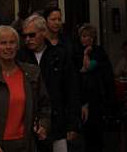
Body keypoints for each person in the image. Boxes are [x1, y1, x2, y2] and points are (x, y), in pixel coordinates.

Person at [0, 25, 50, 152]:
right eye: (3, 43)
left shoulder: (32, 73)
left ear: (17, 46)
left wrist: (44, 125)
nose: (8, 47)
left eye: (12, 42)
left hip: (26, 145)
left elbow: (45, 105)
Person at [19, 14, 79, 152]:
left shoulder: (60, 56)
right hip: (28, 123)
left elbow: (71, 90)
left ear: (43, 32)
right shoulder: (20, 57)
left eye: (32, 35)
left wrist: (72, 124)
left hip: (57, 120)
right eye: (25, 36)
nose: (28, 39)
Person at [75, 24, 115, 152]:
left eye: (85, 36)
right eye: (81, 36)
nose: (82, 39)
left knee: (96, 132)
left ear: (92, 38)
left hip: (98, 99)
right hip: (85, 97)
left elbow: (88, 67)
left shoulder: (98, 52)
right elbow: (79, 71)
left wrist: (86, 54)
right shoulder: (78, 51)